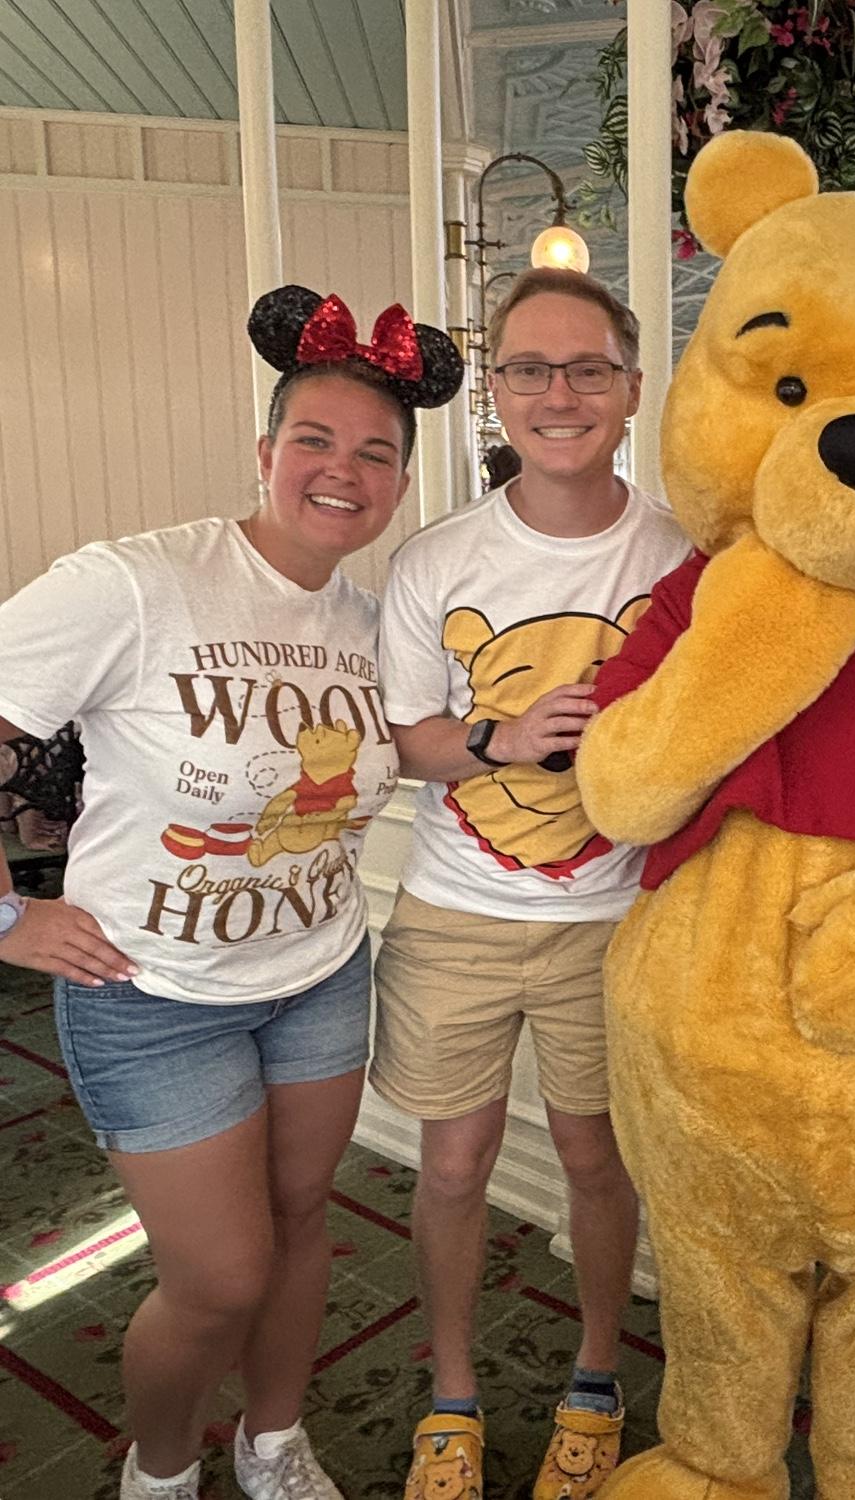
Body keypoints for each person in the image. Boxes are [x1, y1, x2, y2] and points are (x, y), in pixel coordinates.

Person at [0, 285, 463, 1500]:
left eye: (375, 453)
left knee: (302, 1224)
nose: (341, 470)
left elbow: (409, 746)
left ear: (400, 485)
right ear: (265, 453)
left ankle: (272, 1437)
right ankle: (160, 1468)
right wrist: (9, 913)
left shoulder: (372, 621)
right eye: (313, 439)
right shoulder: (139, 582)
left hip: (315, 977)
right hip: (152, 994)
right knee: (220, 1278)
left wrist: (523, 740)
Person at [371, 266, 689, 1500]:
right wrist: (499, 736)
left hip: (617, 918)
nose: (559, 394)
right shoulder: (436, 560)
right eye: (528, 370)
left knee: (598, 1165)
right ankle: (452, 1398)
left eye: (588, 369)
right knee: (450, 1167)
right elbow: (405, 740)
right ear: (492, 392)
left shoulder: (682, 557)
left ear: (632, 386)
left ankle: (596, 1380)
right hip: (458, 911)